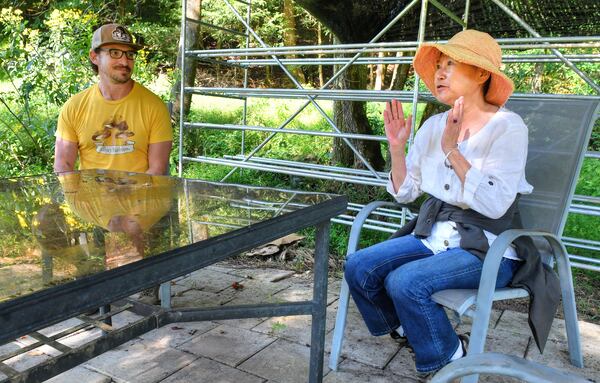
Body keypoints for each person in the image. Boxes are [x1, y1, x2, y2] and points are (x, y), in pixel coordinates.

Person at [344, 29, 560, 376]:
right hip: (434, 236)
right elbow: (406, 193)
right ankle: (413, 331)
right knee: (359, 265)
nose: (439, 73)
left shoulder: (508, 127)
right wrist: (397, 150)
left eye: (451, 65)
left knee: (405, 282)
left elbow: (494, 206)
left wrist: (452, 150)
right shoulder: (433, 125)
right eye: (439, 65)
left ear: (481, 73)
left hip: (489, 249)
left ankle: (448, 355)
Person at [54, 23, 172, 175]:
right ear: (94, 57)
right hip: (89, 197)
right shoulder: (74, 107)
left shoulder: (154, 106)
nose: (124, 62)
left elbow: (157, 170)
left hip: (140, 197)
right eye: (115, 53)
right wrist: (73, 196)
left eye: (129, 54)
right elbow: (63, 165)